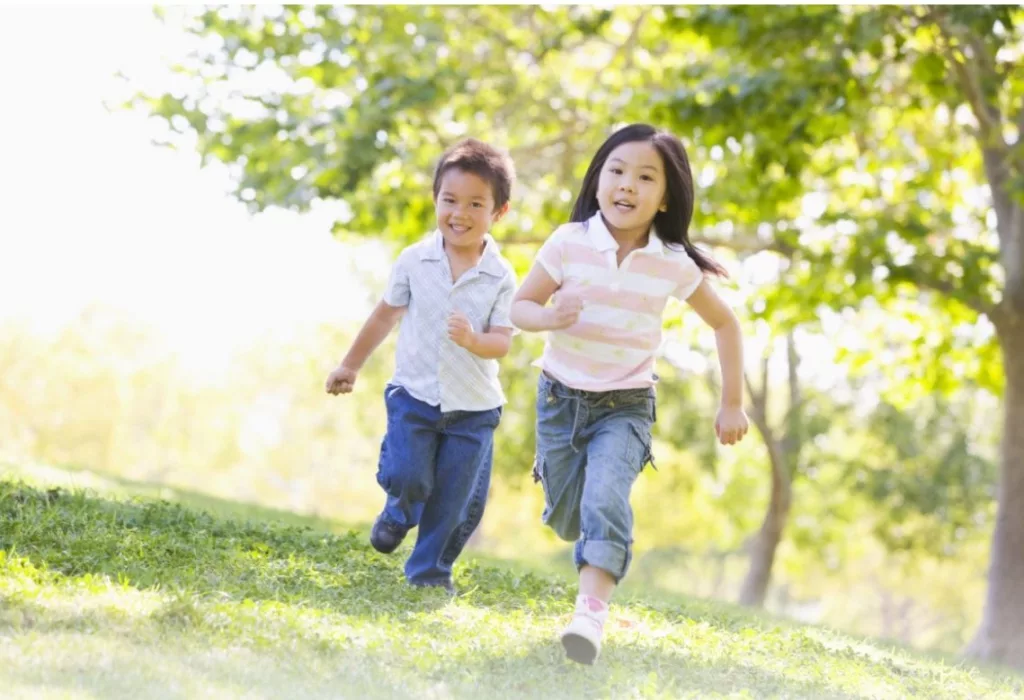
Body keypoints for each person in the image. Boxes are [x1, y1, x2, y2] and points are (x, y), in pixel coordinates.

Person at [510, 123, 749, 663]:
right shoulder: (568, 243)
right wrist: (550, 317)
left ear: (665, 198)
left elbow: (725, 324)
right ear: (598, 179)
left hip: (626, 405)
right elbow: (518, 307)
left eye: (645, 177)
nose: (627, 185)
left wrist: (731, 402)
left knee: (605, 500)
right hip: (560, 400)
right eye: (617, 171)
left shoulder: (671, 263)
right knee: (569, 517)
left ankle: (588, 619)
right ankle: (575, 522)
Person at [326, 138, 517, 595]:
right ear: (436, 200)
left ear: (499, 212)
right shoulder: (415, 260)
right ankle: (398, 509)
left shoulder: (501, 276)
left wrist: (474, 340)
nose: (460, 213)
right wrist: (350, 365)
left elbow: (502, 343)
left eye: (476, 204)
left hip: (472, 409)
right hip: (414, 396)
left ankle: (430, 573)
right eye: (450, 200)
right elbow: (384, 315)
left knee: (451, 501)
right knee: (408, 475)